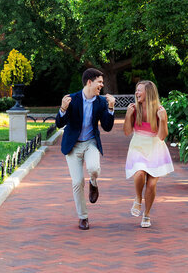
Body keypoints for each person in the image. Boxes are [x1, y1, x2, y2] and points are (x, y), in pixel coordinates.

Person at [56, 68, 115, 230]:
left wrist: (110, 108)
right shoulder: (72, 99)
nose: (102, 85)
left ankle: (94, 183)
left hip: (90, 143)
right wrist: (62, 109)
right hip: (73, 146)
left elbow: (107, 127)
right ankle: (83, 217)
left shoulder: (101, 102)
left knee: (94, 168)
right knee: (77, 182)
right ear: (90, 82)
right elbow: (59, 124)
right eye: (99, 82)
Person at [124, 79, 174, 228]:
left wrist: (163, 120)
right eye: (136, 90)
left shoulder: (159, 110)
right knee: (139, 173)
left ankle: (146, 215)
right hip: (138, 146)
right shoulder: (134, 109)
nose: (136, 92)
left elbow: (162, 136)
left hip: (155, 148)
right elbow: (127, 132)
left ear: (149, 93)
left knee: (151, 185)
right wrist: (128, 115)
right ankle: (138, 199)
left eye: (140, 90)